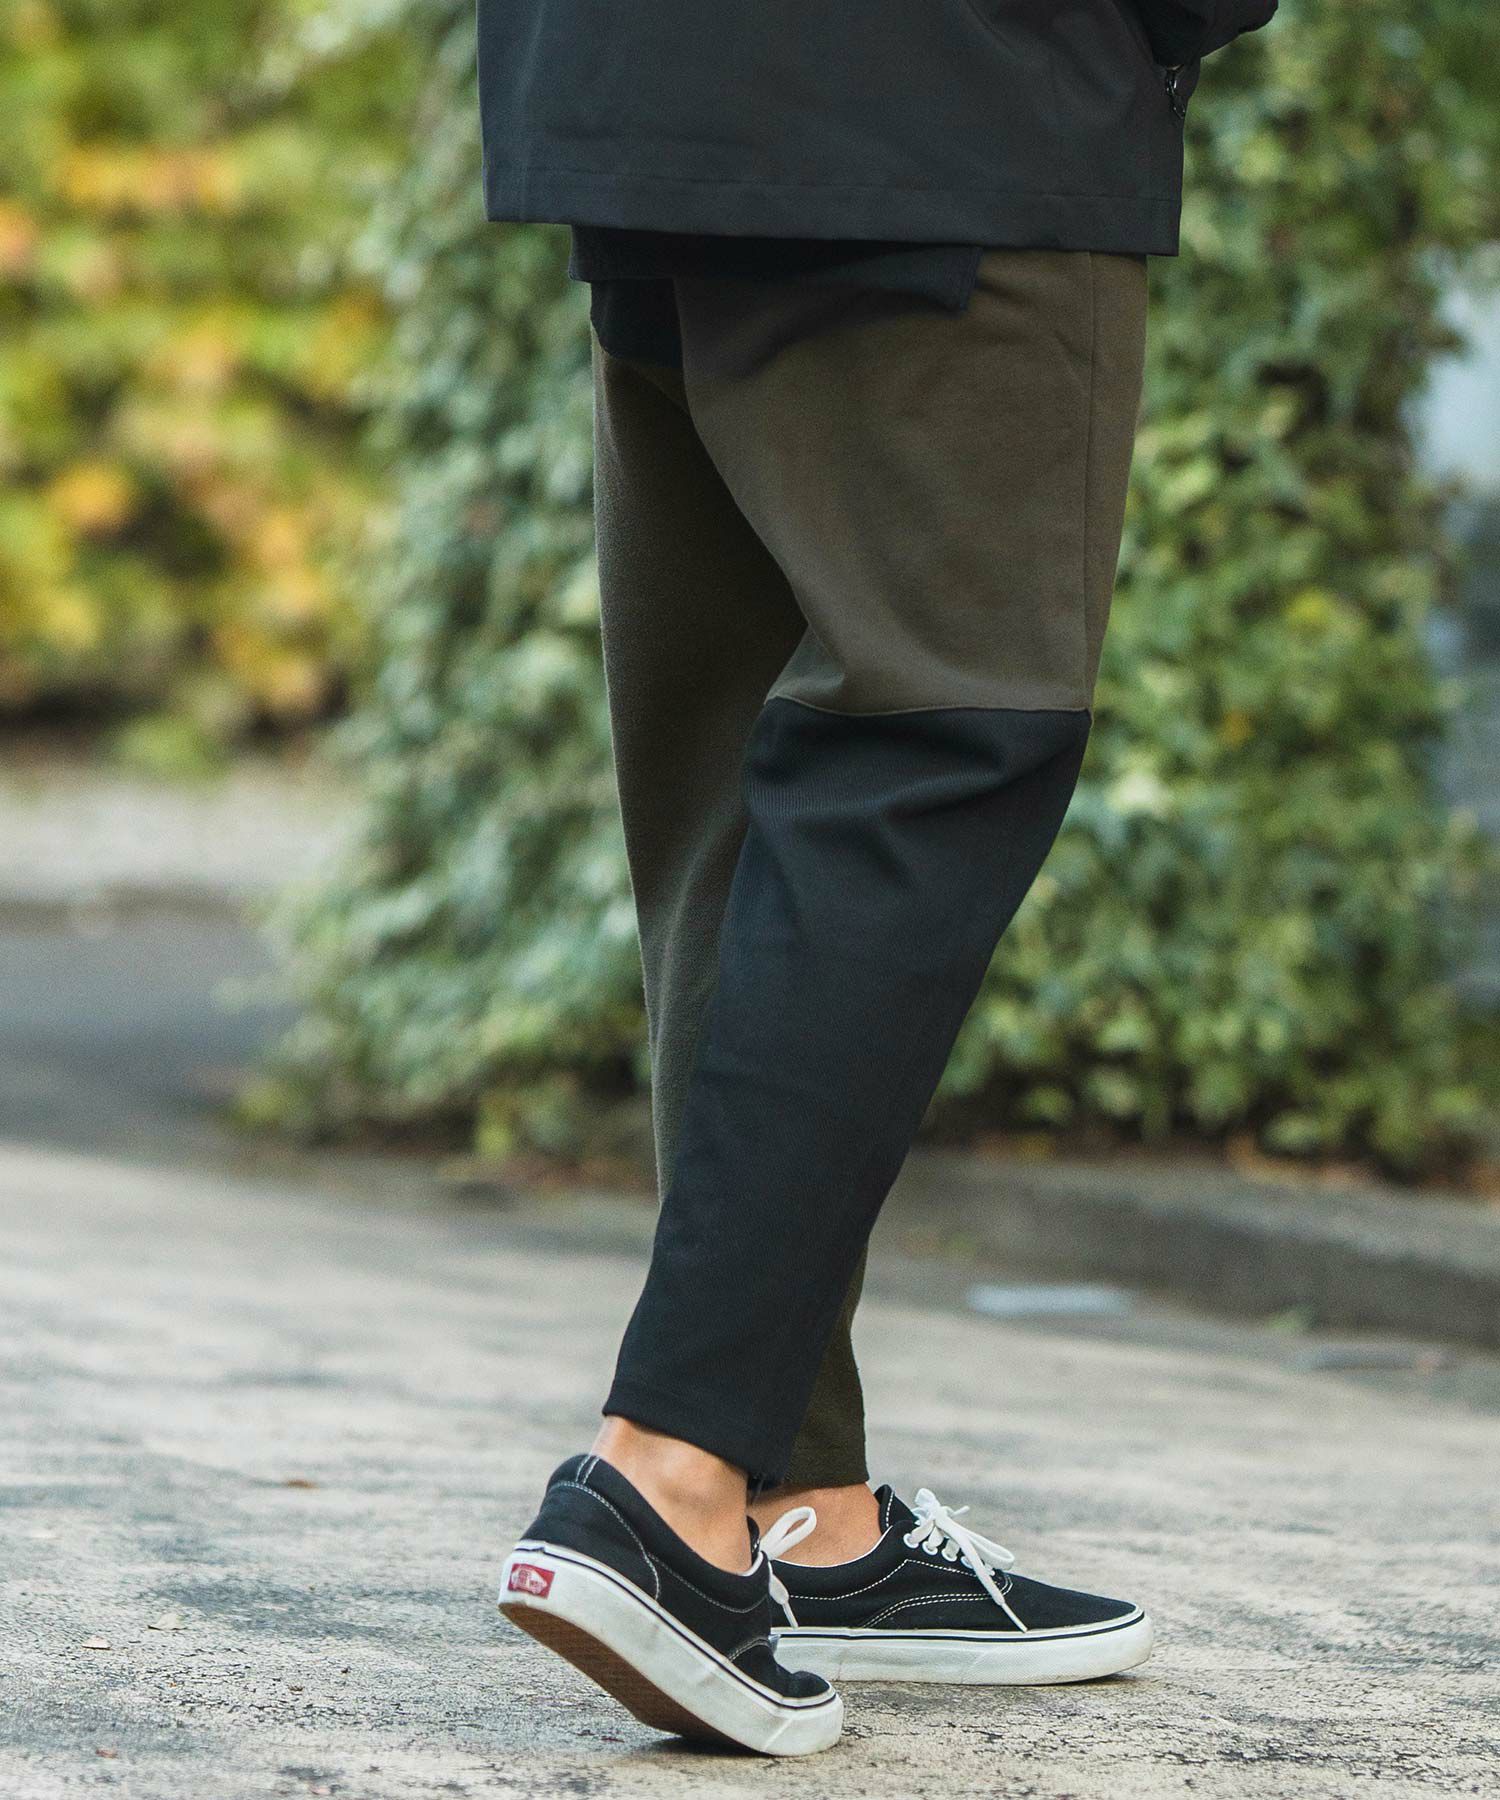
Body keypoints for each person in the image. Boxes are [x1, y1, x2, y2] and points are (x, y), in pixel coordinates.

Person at [484, 0, 1278, 1756]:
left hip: (634, 89)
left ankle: (801, 1510)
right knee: (935, 749)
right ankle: (669, 1479)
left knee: (728, 792)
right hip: (954, 97)